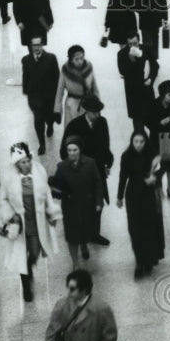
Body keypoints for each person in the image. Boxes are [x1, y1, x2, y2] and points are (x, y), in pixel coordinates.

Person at [0, 142, 61, 302]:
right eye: (23, 162)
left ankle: (28, 270)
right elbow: (3, 198)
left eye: (28, 161)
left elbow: (46, 192)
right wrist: (9, 215)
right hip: (19, 222)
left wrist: (52, 213)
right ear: (17, 164)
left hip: (36, 221)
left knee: (34, 252)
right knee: (21, 254)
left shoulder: (39, 172)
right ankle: (26, 283)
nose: (27, 165)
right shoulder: (9, 177)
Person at [60, 94, 113, 245]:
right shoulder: (74, 126)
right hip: (81, 172)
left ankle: (94, 233)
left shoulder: (102, 123)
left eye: (99, 111)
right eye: (95, 112)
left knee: (98, 201)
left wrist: (108, 161)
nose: (98, 115)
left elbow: (105, 145)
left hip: (98, 171)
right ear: (87, 111)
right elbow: (64, 152)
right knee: (82, 204)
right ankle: (82, 237)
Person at [115, 129, 165, 279]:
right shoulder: (126, 156)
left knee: (149, 227)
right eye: (135, 141)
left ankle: (148, 260)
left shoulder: (152, 154)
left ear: (146, 141)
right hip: (133, 195)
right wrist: (119, 196)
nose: (138, 145)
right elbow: (123, 176)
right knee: (135, 230)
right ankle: (139, 261)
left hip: (149, 194)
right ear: (131, 141)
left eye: (142, 141)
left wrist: (154, 177)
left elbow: (163, 168)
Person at [52, 136, 104, 268]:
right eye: (69, 150)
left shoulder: (90, 163)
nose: (72, 153)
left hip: (87, 205)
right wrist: (59, 191)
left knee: (86, 231)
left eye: (75, 150)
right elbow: (56, 188)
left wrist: (99, 202)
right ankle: (75, 262)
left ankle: (84, 244)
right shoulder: (62, 167)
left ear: (80, 150)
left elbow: (98, 183)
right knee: (72, 236)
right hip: (70, 207)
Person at [146, 80, 170, 200]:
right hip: (156, 139)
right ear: (163, 94)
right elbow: (148, 121)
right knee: (155, 164)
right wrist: (160, 123)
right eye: (169, 95)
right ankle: (153, 187)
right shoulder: (153, 105)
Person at [21, 37, 61, 155]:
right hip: (35, 98)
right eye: (34, 45)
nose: (37, 48)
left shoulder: (51, 58)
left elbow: (57, 77)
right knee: (38, 120)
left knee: (49, 117)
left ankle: (50, 125)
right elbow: (25, 76)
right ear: (31, 46)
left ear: (42, 45)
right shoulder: (26, 60)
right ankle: (42, 144)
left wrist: (57, 96)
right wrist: (26, 91)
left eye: (38, 45)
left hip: (49, 97)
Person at [54, 44, 99, 130]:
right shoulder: (65, 70)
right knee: (71, 130)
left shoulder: (88, 67)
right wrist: (56, 109)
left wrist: (97, 105)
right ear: (71, 60)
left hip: (87, 104)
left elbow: (94, 87)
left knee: (87, 130)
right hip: (71, 106)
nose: (80, 61)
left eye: (82, 58)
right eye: (76, 59)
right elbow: (60, 90)